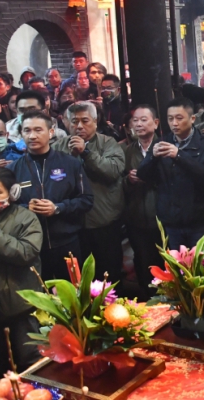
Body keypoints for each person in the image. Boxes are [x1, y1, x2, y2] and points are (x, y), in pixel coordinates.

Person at [10, 112, 93, 280]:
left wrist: (58, 208)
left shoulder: (70, 163)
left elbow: (87, 200)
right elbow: (6, 208)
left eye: (38, 130)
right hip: (31, 245)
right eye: (27, 130)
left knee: (75, 297)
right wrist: (26, 209)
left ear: (51, 132)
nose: (32, 135)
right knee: (40, 297)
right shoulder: (12, 170)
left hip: (67, 242)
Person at [53, 101, 125, 282]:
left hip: (104, 222)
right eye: (74, 121)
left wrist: (86, 153)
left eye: (85, 121)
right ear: (66, 123)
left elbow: (112, 171)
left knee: (110, 275)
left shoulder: (108, 143)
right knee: (80, 278)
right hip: (72, 224)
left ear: (95, 121)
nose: (79, 126)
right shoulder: (58, 147)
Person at [0, 168, 43, 376]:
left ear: (12, 192)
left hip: (21, 309)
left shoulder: (27, 218)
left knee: (31, 363)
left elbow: (26, 253)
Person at [136, 98, 204, 248]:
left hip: (199, 220)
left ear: (192, 118)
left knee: (202, 268)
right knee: (175, 268)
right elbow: (143, 175)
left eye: (179, 118)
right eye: (170, 119)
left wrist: (179, 155)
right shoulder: (161, 141)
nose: (174, 123)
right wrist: (152, 158)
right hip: (170, 220)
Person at [121, 105, 163, 300]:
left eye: (143, 120)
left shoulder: (164, 147)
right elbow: (118, 184)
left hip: (163, 216)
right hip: (136, 216)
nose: (138, 124)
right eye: (135, 121)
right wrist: (128, 180)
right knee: (142, 260)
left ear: (155, 123)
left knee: (165, 262)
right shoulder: (127, 150)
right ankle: (147, 301)